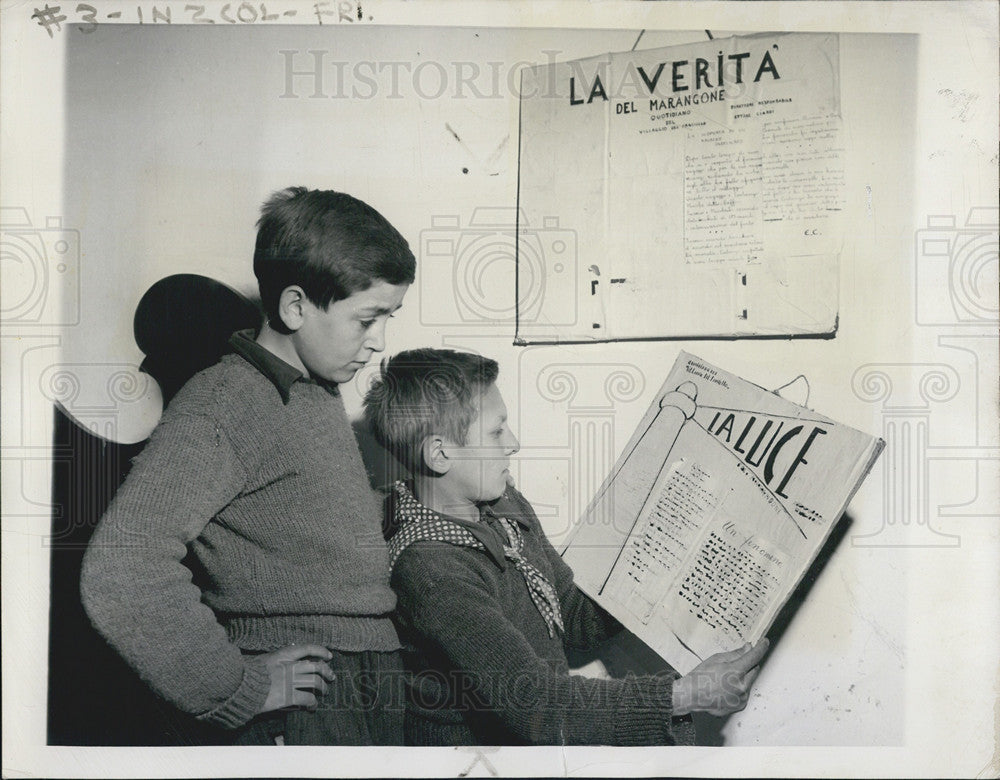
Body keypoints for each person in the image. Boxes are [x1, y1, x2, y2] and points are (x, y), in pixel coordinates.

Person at [81, 187, 416, 745]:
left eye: (389, 317)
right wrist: (235, 686)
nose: (379, 342)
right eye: (367, 319)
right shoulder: (227, 403)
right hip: (306, 705)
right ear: (294, 308)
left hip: (363, 685)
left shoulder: (313, 390)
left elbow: (294, 525)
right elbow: (122, 563)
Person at [362, 348, 769, 746]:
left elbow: (570, 616)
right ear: (440, 453)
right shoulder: (432, 573)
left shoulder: (503, 506)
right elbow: (537, 706)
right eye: (496, 430)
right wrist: (686, 695)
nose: (514, 443)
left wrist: (654, 565)